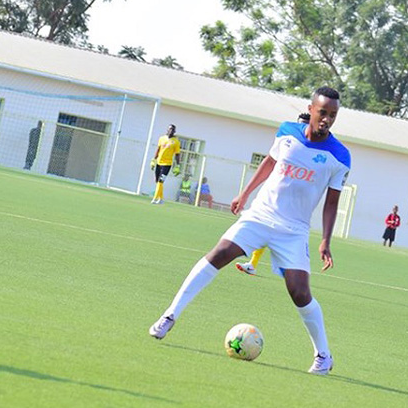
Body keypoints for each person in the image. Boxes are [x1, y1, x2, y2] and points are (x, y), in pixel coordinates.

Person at [149, 87, 350, 375]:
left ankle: (323, 356)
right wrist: (245, 194)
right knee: (219, 253)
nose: (327, 119)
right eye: (323, 112)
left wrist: (326, 241)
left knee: (299, 292)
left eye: (333, 115)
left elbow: (332, 203)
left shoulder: (340, 156)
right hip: (260, 214)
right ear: (312, 109)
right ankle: (169, 316)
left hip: (293, 230)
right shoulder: (287, 132)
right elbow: (269, 162)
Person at [236, 112, 312, 276]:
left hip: (294, 211)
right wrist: (245, 193)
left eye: (304, 124)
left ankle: (289, 267)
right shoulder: (287, 142)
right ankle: (253, 263)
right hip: (272, 200)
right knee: (263, 228)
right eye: (298, 124)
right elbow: (270, 162)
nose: (300, 128)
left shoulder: (313, 151)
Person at [150, 124, 181, 204]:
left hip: (167, 164)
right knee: (157, 181)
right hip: (159, 162)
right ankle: (161, 199)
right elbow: (158, 149)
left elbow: (177, 154)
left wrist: (178, 165)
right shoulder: (162, 138)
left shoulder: (176, 142)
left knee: (161, 181)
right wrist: (154, 159)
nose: (171, 131)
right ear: (167, 130)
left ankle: (154, 199)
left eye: (173, 130)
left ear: (174, 131)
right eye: (170, 129)